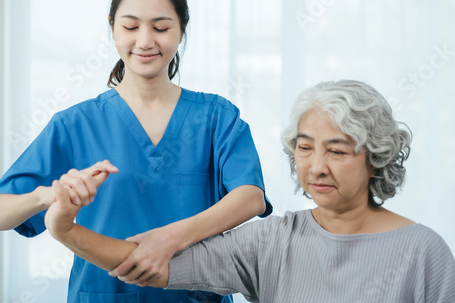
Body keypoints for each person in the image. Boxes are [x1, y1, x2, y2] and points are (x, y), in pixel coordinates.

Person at [0, 0, 272, 302]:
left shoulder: (216, 117)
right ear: (112, 27)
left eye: (160, 27)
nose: (145, 41)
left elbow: (251, 197)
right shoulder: (77, 124)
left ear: (182, 29)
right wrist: (50, 195)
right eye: (131, 27)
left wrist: (170, 239)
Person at [44, 80, 455, 303]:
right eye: (305, 148)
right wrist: (64, 228)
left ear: (375, 158)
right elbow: (144, 263)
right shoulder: (270, 241)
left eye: (337, 150)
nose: (316, 166)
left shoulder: (422, 252)